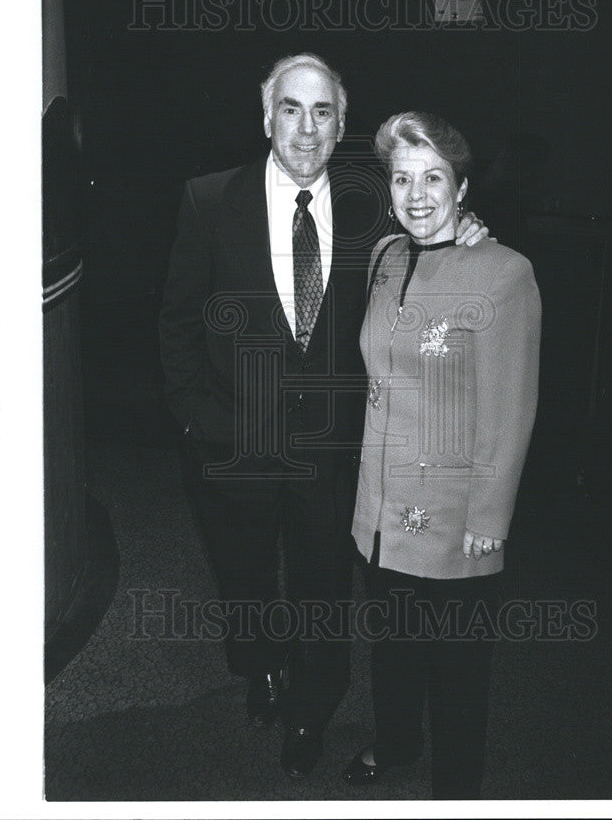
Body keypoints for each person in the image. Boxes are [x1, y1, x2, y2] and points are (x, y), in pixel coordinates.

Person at [158, 54, 487, 779]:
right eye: (290, 109)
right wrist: (197, 418)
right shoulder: (209, 200)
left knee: (321, 588)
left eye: (323, 112)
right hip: (232, 444)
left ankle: (313, 704)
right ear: (265, 117)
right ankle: (262, 666)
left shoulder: (378, 204)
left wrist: (464, 228)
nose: (305, 128)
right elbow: (177, 324)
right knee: (243, 579)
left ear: (341, 123)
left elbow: (429, 240)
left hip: (335, 449)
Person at [342, 111, 541, 799]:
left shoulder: (504, 273)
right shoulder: (385, 257)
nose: (417, 194)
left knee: (457, 669)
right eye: (402, 178)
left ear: (460, 187)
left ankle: (457, 789)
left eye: (433, 178)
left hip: (457, 515)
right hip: (379, 506)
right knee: (393, 648)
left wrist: (491, 516)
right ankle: (396, 743)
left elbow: (511, 405)